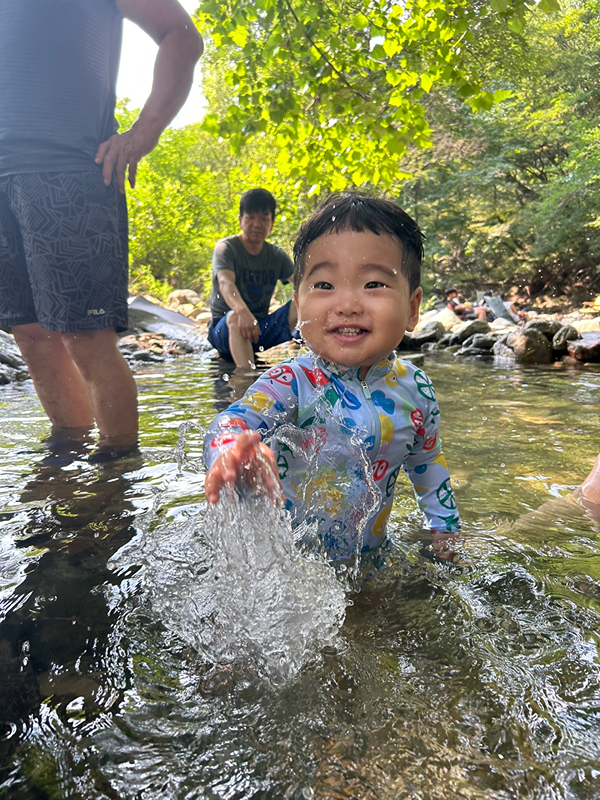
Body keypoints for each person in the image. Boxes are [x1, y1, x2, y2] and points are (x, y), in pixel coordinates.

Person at [204, 193, 461, 562]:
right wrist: (229, 451)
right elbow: (233, 419)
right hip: (288, 569)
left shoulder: (416, 390)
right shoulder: (293, 382)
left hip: (370, 561)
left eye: (374, 284)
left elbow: (428, 464)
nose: (347, 304)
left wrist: (446, 532)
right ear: (298, 303)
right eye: (324, 285)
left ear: (412, 308)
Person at [0, 0, 203, 458]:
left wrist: (144, 131)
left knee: (86, 338)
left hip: (69, 171)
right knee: (29, 335)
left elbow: (181, 36)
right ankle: (70, 464)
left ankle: (116, 479)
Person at [207, 188, 298, 369]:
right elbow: (226, 283)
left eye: (264, 219)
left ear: (271, 224)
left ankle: (310, 366)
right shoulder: (227, 248)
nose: (257, 224)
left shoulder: (276, 255)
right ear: (240, 220)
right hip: (224, 329)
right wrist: (242, 311)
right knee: (234, 317)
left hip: (260, 331)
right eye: (251, 217)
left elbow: (303, 283)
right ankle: (246, 380)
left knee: (305, 299)